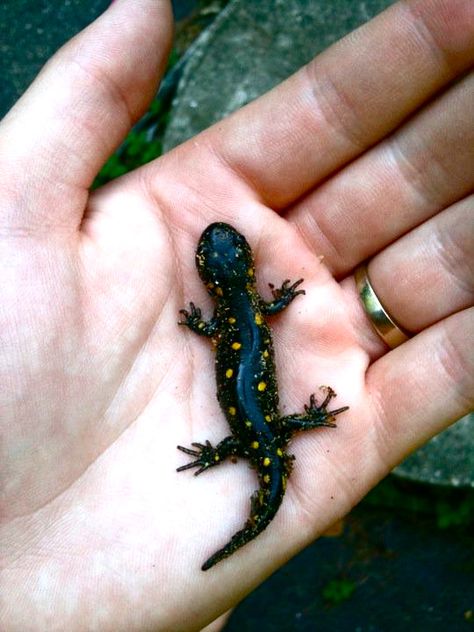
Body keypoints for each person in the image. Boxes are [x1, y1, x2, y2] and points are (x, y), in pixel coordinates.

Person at [1, 0, 472, 630]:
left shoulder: (232, 313)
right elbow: (257, 317)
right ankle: (254, 474)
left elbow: (222, 329)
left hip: (257, 426)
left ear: (224, 272)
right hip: (257, 426)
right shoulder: (247, 308)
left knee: (261, 438)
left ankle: (250, 481)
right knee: (262, 439)